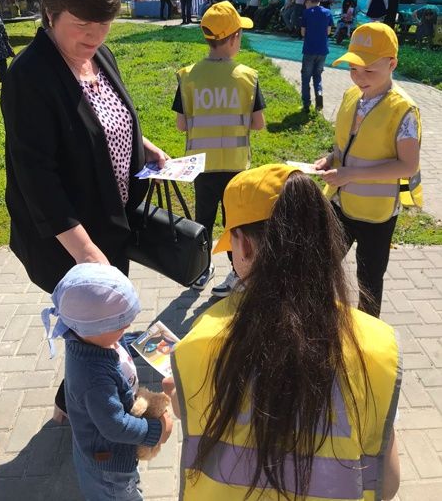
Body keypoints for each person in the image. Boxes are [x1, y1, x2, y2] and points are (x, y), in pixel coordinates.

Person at [164, 163, 401, 501]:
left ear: (243, 246)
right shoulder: (377, 348)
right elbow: (387, 484)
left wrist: (180, 395)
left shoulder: (200, 343)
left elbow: (192, 416)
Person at [1, 0, 168, 418]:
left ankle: (77, 400)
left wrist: (144, 144)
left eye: (105, 24)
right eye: (82, 25)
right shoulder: (29, 76)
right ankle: (90, 414)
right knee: (93, 326)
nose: (95, 36)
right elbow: (37, 177)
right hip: (70, 237)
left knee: (100, 326)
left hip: (110, 221)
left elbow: (106, 115)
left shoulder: (98, 55)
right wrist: (88, 255)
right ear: (50, 14)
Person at [315, 22, 422, 317]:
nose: (359, 78)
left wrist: (351, 174)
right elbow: (344, 147)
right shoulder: (353, 97)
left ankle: (368, 340)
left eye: (369, 71)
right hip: (341, 204)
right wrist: (330, 159)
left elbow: (408, 165)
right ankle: (322, 324)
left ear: (392, 64)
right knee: (321, 266)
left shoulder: (404, 110)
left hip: (377, 213)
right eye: (353, 69)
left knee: (370, 280)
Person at [43, 262, 173, 501]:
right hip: (108, 461)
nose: (128, 327)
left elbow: (118, 344)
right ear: (95, 328)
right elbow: (114, 425)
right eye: (121, 325)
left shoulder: (89, 337)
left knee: (126, 483)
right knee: (115, 493)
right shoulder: (93, 377)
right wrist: (157, 429)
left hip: (112, 451)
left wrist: (151, 341)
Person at [172, 2, 265, 297]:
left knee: (204, 220)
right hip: (236, 167)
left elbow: (181, 126)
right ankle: (238, 275)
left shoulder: (188, 76)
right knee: (235, 224)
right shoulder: (248, 76)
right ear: (234, 37)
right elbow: (258, 124)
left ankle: (201, 271)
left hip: (202, 166)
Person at [300, 0, 333, 112]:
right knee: (317, 76)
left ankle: (306, 104)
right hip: (323, 50)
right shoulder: (328, 12)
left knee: (306, 77)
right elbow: (328, 31)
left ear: (309, 1)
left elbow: (303, 32)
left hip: (309, 49)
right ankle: (319, 95)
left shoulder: (307, 13)